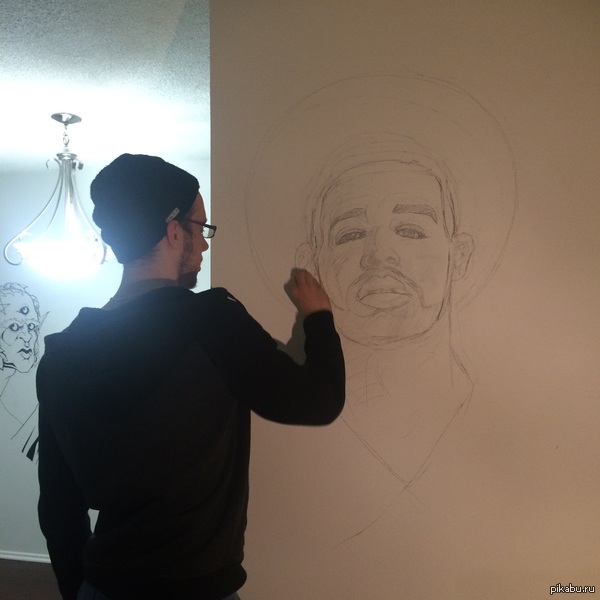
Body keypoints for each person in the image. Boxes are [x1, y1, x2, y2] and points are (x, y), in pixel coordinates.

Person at [36, 153, 346, 600]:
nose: (203, 244)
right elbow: (318, 400)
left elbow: (58, 508)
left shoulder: (61, 355)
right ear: (173, 229)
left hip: (102, 584)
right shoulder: (212, 321)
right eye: (200, 227)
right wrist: (318, 318)